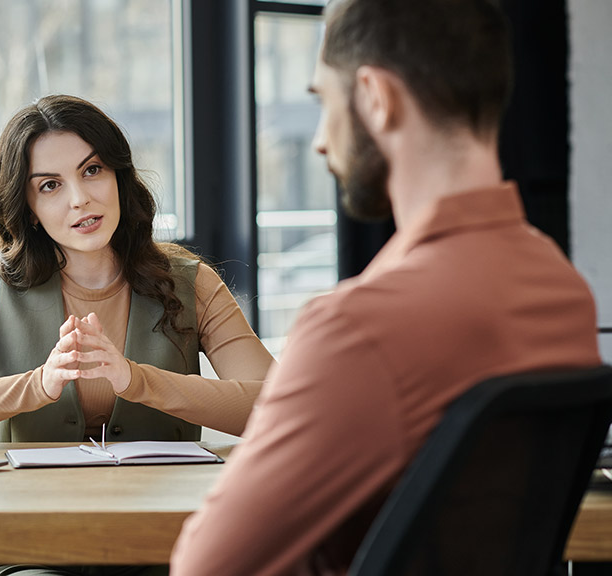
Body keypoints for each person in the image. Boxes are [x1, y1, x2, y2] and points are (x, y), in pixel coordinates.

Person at [170, 0, 601, 575]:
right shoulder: (563, 291)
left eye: (324, 101)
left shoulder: (357, 327)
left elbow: (206, 567)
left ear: (376, 97)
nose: (322, 140)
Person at [0, 94, 274, 575]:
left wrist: (137, 381)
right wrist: (37, 385)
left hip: (166, 545)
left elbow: (282, 410)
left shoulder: (191, 282)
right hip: (28, 551)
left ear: (119, 177)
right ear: (27, 206)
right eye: (49, 185)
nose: (79, 198)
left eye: (92, 171)